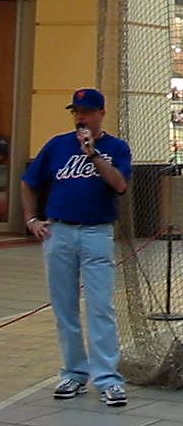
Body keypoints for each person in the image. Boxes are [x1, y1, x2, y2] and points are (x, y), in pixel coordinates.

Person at [19, 88, 132, 406]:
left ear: (101, 114)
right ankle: (73, 373)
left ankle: (108, 379)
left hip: (97, 232)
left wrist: (92, 154)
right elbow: (29, 182)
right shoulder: (56, 145)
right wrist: (31, 220)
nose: (80, 118)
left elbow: (120, 185)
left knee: (100, 306)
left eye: (86, 111)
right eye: (76, 112)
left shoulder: (116, 148)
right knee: (64, 306)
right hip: (60, 232)